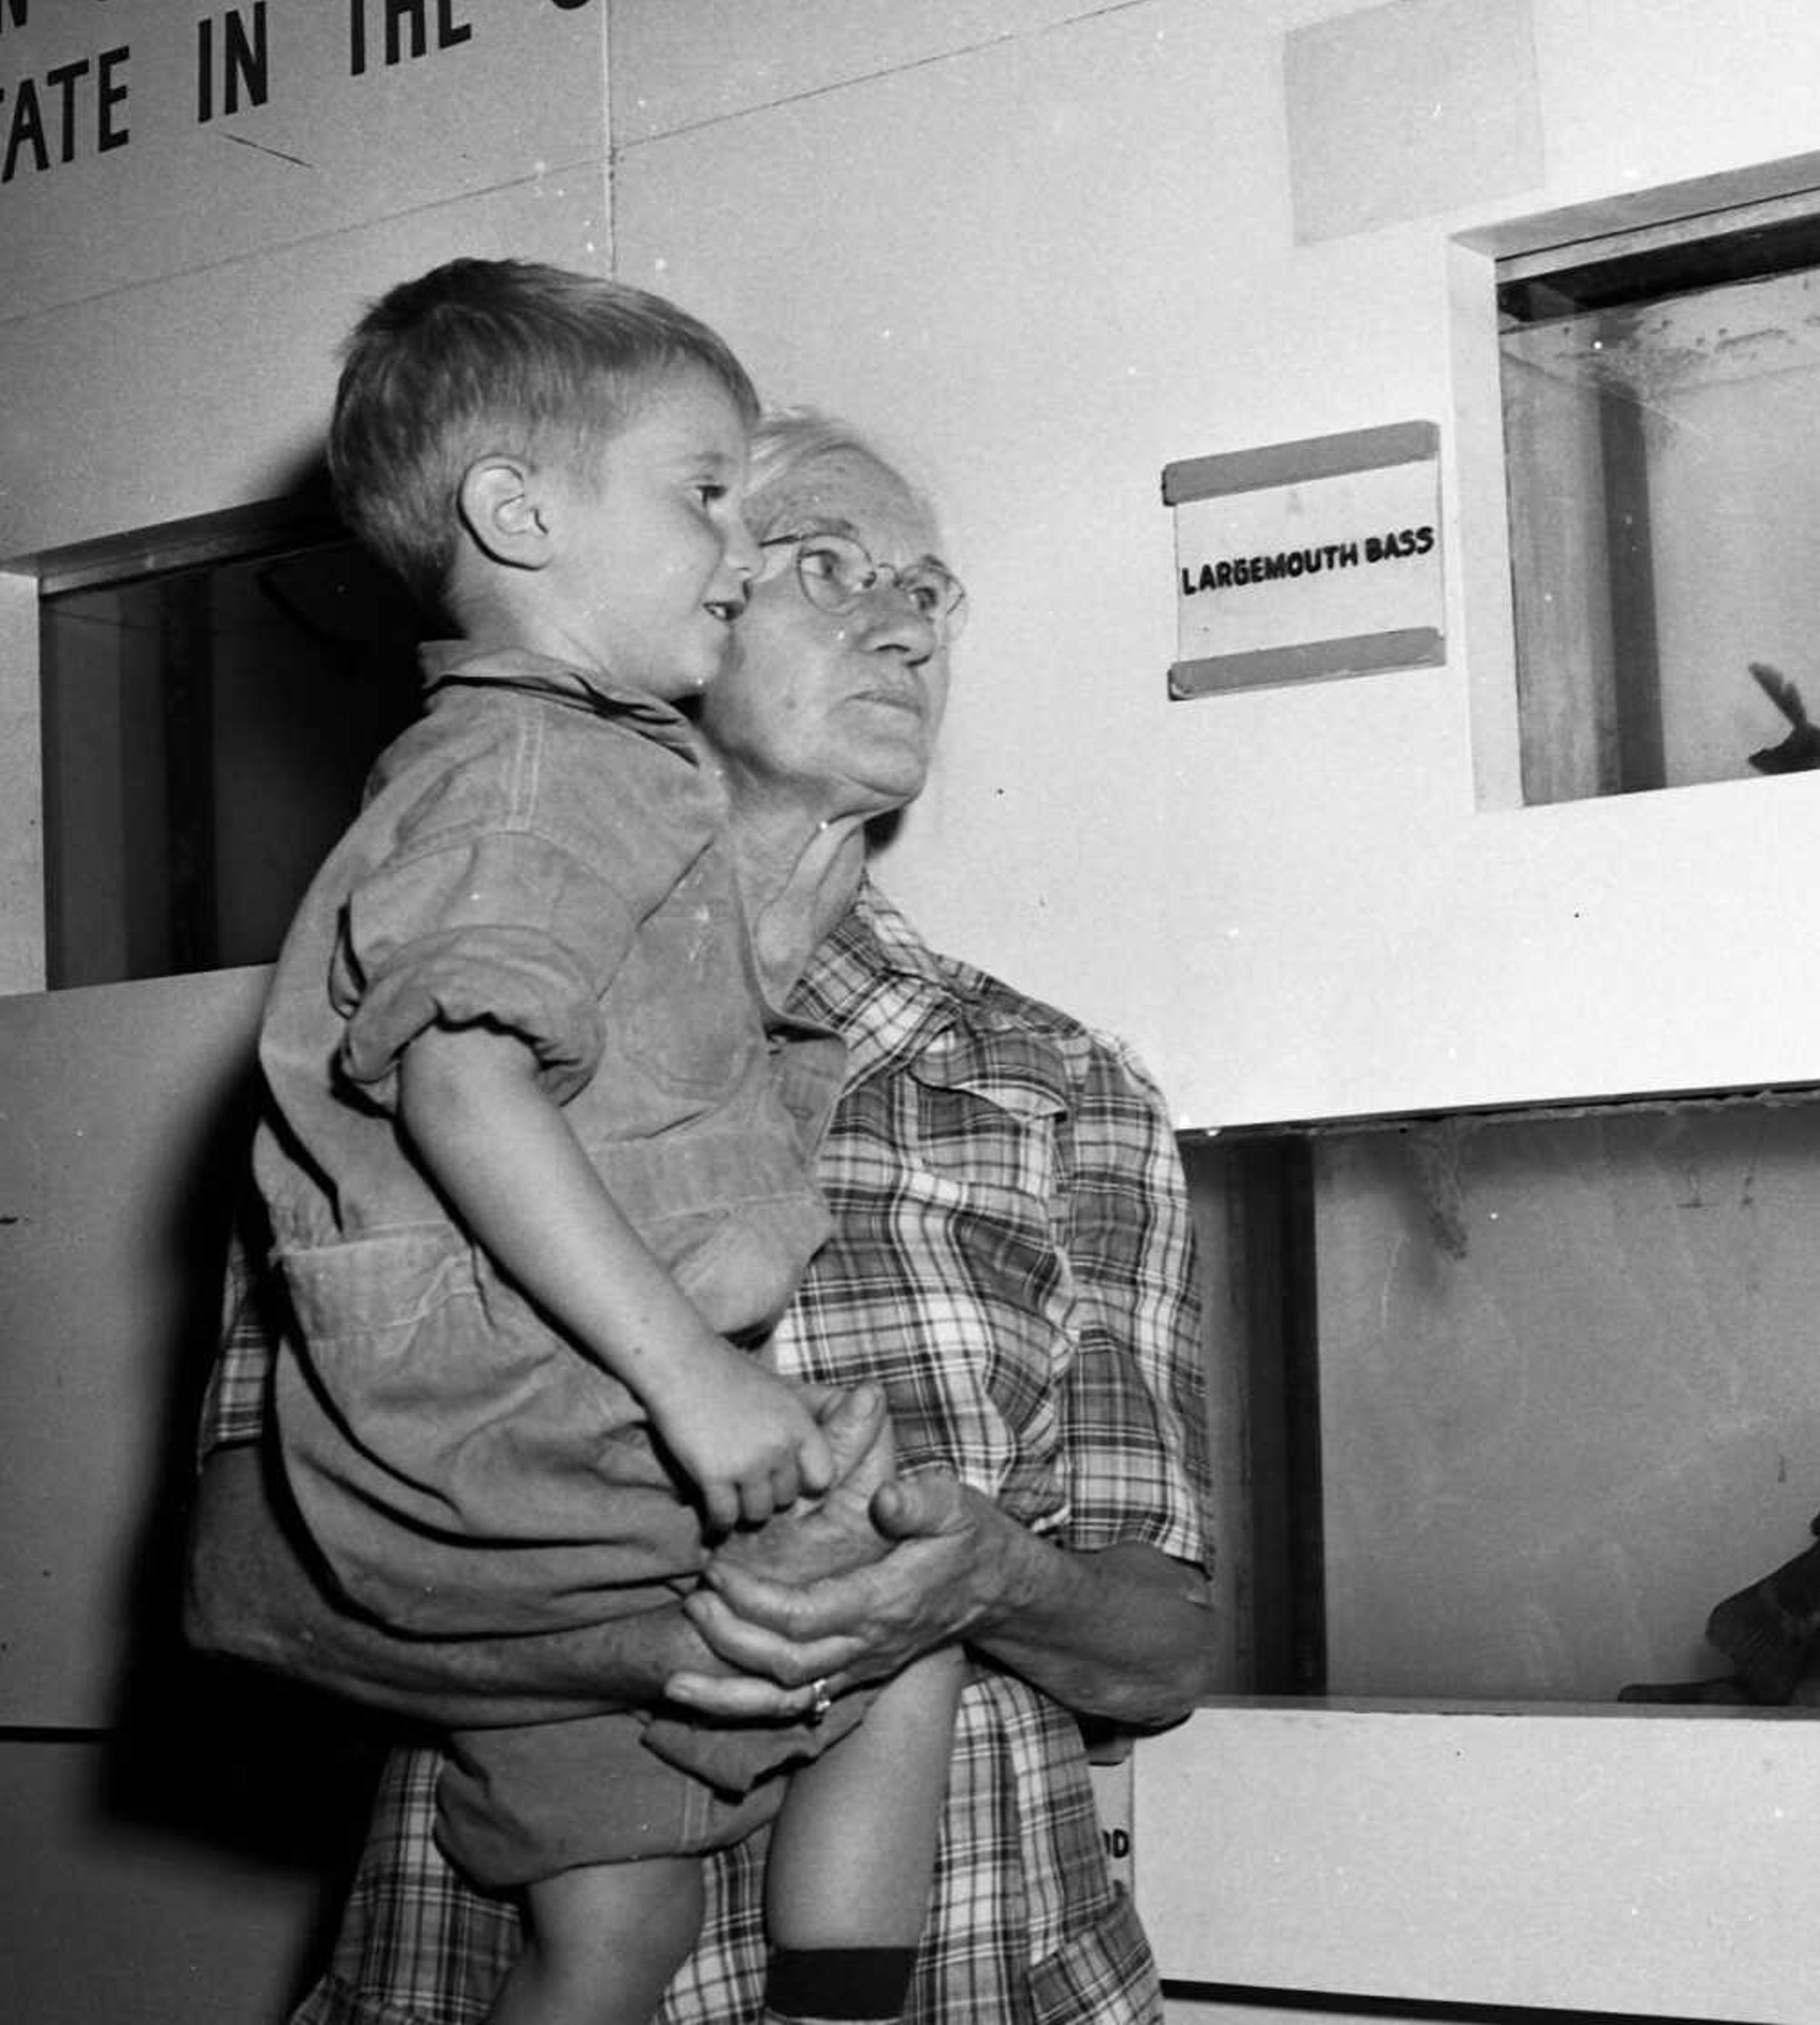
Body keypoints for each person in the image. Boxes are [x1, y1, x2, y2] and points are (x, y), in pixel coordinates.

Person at [186, 406, 1217, 2024]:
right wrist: (674, 1644)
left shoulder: (1053, 1084)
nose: (904, 626)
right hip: (487, 1969)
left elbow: (1162, 1643)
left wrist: (979, 1583)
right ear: (683, 618)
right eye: (827, 567)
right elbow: (243, 1589)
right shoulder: (419, 1008)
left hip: (972, 1985)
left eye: (929, 591)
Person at [250, 263, 963, 2025]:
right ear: (520, 514)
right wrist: (705, 1391)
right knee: (890, 1639)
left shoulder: (560, 785)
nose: (730, 547)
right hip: (527, 1460)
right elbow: (462, 1084)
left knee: (624, 1921)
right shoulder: (538, 774)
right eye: (712, 500)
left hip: (519, 1449)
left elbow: (633, 1110)